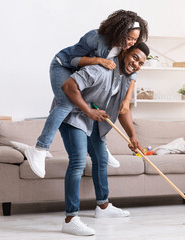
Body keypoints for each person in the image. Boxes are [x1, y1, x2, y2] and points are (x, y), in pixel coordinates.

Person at [24, 10, 148, 178]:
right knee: (66, 104)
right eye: (129, 38)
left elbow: (132, 74)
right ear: (120, 31)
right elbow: (73, 59)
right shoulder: (96, 37)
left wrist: (127, 99)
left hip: (81, 73)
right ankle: (39, 148)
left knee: (100, 98)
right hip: (64, 66)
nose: (131, 43)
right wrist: (98, 60)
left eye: (135, 39)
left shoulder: (124, 48)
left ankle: (100, 147)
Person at [59, 42, 149, 236]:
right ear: (125, 52)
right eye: (135, 57)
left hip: (95, 120)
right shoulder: (100, 69)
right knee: (78, 162)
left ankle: (103, 207)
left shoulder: (126, 78)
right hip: (74, 116)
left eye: (141, 63)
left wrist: (133, 136)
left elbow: (122, 111)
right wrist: (89, 111)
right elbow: (68, 86)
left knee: (101, 159)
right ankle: (70, 218)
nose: (136, 64)